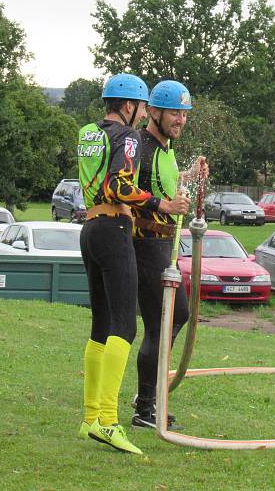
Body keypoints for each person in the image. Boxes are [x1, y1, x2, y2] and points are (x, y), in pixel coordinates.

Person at [76, 74, 190, 454]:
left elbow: (99, 183)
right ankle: (108, 420)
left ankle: (91, 416)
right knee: (123, 329)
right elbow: (119, 186)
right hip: (113, 229)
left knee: (100, 327)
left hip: (90, 228)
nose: (142, 116)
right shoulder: (126, 137)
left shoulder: (89, 131)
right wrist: (162, 206)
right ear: (130, 105)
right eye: (142, 108)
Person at [131, 80, 208, 430]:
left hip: (164, 246)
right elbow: (128, 192)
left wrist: (191, 174)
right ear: (153, 112)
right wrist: (165, 206)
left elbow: (165, 182)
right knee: (161, 323)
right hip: (145, 244)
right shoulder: (141, 147)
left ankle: (147, 395)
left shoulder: (164, 148)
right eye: (175, 112)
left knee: (175, 316)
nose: (180, 119)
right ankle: (145, 407)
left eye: (184, 113)